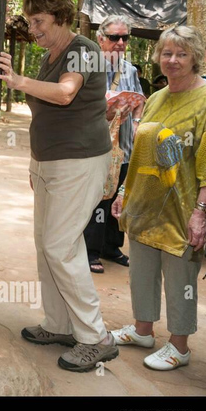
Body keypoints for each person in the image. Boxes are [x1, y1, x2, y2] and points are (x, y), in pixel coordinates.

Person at [0, 0, 118, 372]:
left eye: (39, 21)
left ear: (61, 18)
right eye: (31, 21)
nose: (33, 29)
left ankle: (95, 336)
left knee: (60, 246)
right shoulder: (53, 53)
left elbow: (66, 94)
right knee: (44, 244)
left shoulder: (84, 50)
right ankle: (60, 324)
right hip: (51, 164)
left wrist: (17, 82)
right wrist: (38, 165)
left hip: (79, 163)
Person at [110, 26, 206, 371]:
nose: (172, 60)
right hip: (145, 202)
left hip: (184, 206)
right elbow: (139, 151)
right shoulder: (156, 97)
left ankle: (179, 345)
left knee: (179, 279)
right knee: (141, 269)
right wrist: (125, 192)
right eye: (167, 53)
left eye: (181, 54)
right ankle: (143, 330)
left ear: (196, 58)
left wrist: (201, 211)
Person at [84, 16, 144, 274]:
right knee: (98, 198)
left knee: (120, 195)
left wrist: (138, 118)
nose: (120, 43)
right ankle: (90, 251)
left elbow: (140, 99)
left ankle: (112, 246)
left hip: (125, 147)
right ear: (100, 39)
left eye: (124, 38)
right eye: (114, 37)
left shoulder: (130, 70)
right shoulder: (87, 66)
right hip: (97, 145)